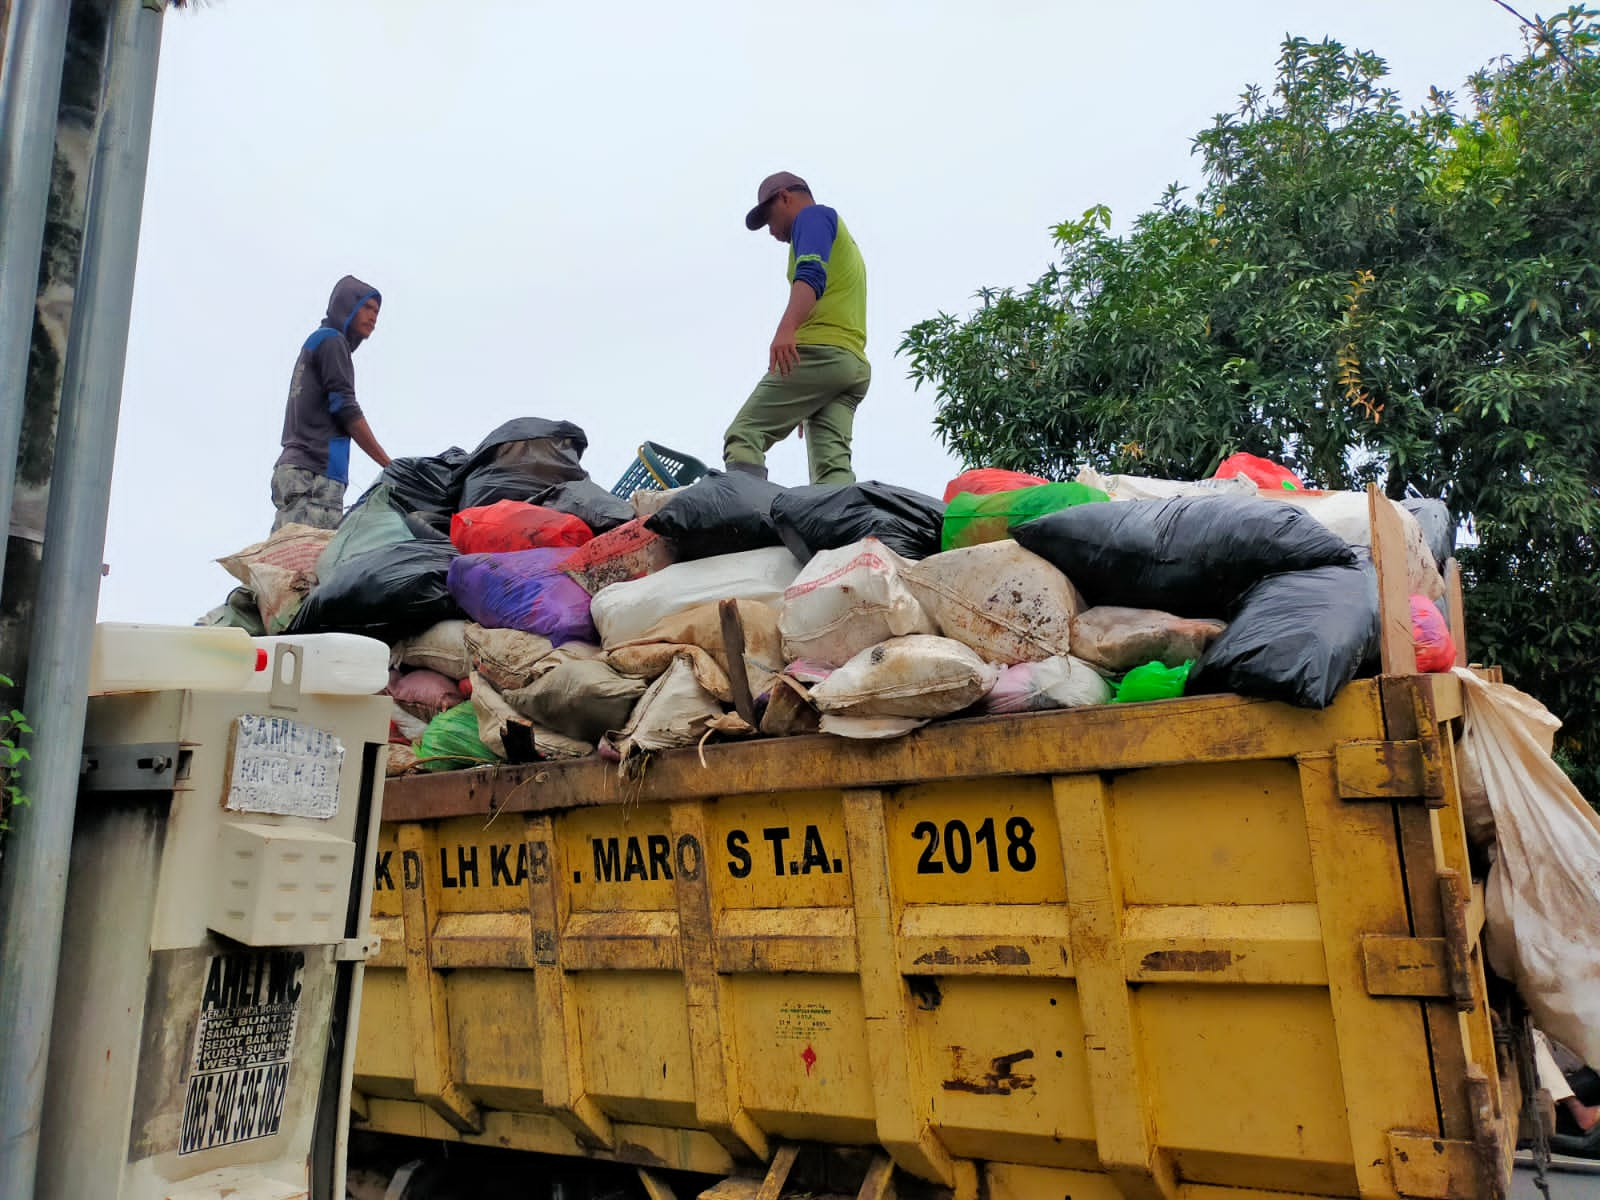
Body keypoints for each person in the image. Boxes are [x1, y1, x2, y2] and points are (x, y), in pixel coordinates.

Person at [724, 171, 870, 484]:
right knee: (832, 471)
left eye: (769, 218)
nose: (771, 231)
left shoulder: (814, 217)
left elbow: (811, 273)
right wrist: (812, 392)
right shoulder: (842, 237)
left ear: (785, 197)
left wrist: (786, 330)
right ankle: (846, 530)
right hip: (850, 365)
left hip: (820, 353)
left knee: (744, 435)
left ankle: (742, 518)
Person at [270, 275, 392, 531]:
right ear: (347, 306)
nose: (373, 317)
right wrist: (388, 464)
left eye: (377, 312)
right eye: (367, 307)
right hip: (315, 473)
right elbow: (345, 408)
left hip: (301, 470)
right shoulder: (332, 341)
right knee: (308, 563)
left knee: (290, 558)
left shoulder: (320, 342)